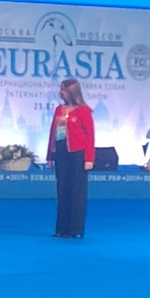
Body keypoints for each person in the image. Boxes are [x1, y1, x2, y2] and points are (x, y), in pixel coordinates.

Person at [46, 77, 95, 239]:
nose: (60, 93)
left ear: (72, 92)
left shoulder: (84, 111)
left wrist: (89, 158)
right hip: (61, 153)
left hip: (77, 153)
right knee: (62, 190)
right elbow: (52, 133)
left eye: (63, 90)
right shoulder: (59, 110)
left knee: (77, 191)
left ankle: (75, 229)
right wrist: (50, 155)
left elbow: (90, 136)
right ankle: (62, 228)